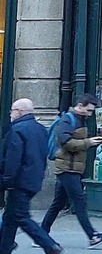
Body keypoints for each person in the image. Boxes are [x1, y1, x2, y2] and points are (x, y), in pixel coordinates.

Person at [41, 93, 102, 248]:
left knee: (58, 203)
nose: (90, 114)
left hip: (71, 167)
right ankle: (93, 236)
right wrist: (88, 142)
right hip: (68, 168)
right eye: (88, 110)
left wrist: (91, 142)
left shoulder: (79, 119)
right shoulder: (67, 120)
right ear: (80, 106)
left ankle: (41, 234)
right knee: (79, 202)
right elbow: (65, 142)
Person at [0, 99, 63, 254]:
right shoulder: (40, 129)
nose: (11, 114)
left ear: (20, 111)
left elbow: (13, 159)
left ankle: (50, 245)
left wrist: (6, 180)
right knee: (10, 216)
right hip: (33, 179)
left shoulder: (17, 130)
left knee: (21, 216)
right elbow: (44, 154)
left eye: (13, 110)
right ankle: (5, 246)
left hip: (19, 180)